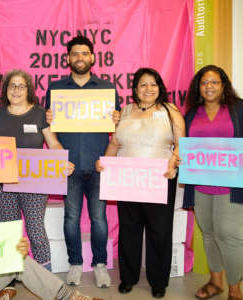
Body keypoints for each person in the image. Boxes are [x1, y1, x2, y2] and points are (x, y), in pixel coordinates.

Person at [97, 67, 185, 298]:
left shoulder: (170, 111)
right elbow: (115, 143)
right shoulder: (125, 111)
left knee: (160, 232)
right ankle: (128, 277)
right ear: (135, 89)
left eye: (153, 84)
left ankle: (158, 281)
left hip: (160, 180)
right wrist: (105, 162)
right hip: (128, 180)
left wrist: (173, 163)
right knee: (129, 230)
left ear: (160, 88)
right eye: (143, 84)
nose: (148, 89)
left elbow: (181, 144)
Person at [45, 35, 120, 288]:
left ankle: (100, 264)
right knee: (71, 218)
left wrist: (117, 117)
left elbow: (117, 129)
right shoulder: (55, 89)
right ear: (68, 58)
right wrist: (49, 117)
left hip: (99, 166)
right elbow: (48, 128)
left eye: (84, 53)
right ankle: (75, 263)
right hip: (69, 167)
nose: (80, 58)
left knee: (99, 219)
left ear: (92, 57)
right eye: (75, 54)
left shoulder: (107, 89)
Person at [0, 69, 74, 271]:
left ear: (29, 90)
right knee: (8, 231)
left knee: (35, 229)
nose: (17, 90)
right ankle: (9, 276)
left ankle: (45, 275)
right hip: (3, 183)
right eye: (12, 85)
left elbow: (53, 144)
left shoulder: (39, 113)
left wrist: (62, 160)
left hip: (34, 183)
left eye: (21, 86)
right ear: (6, 90)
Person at [183, 65, 243, 300]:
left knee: (230, 235)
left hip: (231, 185)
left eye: (214, 82)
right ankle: (215, 281)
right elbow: (185, 144)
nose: (209, 86)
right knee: (208, 233)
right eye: (204, 82)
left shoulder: (238, 108)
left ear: (223, 85)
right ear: (198, 87)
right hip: (200, 184)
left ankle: (235, 288)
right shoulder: (191, 114)